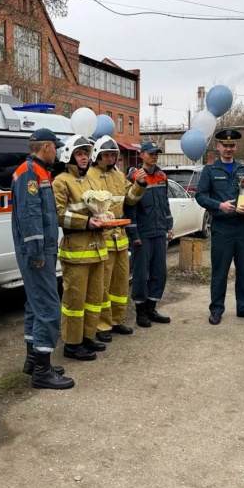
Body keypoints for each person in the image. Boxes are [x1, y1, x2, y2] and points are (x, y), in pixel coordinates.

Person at [11, 128, 75, 389]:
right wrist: (37, 252)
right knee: (48, 307)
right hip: (37, 253)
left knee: (34, 305)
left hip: (41, 250)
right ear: (46, 147)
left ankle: (33, 361)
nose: (58, 152)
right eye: (56, 147)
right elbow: (30, 217)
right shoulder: (30, 173)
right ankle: (42, 370)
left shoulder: (38, 171)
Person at [195, 129, 244, 325]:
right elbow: (200, 196)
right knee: (220, 271)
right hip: (222, 228)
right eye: (225, 145)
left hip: (242, 227)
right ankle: (216, 309)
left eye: (232, 145)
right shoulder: (210, 171)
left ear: (236, 147)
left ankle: (243, 307)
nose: (228, 149)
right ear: (218, 147)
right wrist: (219, 205)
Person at [86, 136, 147, 342]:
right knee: (102, 285)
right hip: (102, 237)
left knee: (120, 284)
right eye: (106, 154)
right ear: (98, 155)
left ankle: (117, 320)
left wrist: (139, 185)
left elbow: (129, 200)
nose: (110, 158)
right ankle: (101, 325)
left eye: (113, 154)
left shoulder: (119, 175)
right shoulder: (90, 175)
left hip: (120, 237)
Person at [53, 135, 108, 360]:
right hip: (76, 250)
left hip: (96, 247)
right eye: (79, 153)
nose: (84, 157)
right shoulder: (61, 181)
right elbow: (58, 214)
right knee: (75, 300)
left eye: (86, 153)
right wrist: (85, 222)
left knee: (94, 298)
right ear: (68, 156)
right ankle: (72, 344)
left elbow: (100, 206)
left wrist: (107, 216)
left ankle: (87, 336)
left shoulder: (92, 180)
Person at [124, 141, 173, 328]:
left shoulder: (162, 176)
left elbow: (164, 203)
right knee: (140, 274)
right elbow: (130, 207)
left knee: (159, 272)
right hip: (142, 233)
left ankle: (152, 308)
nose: (154, 156)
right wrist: (133, 233)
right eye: (151, 153)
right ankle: (141, 311)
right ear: (141, 155)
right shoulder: (135, 176)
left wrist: (169, 223)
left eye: (156, 153)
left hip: (159, 231)